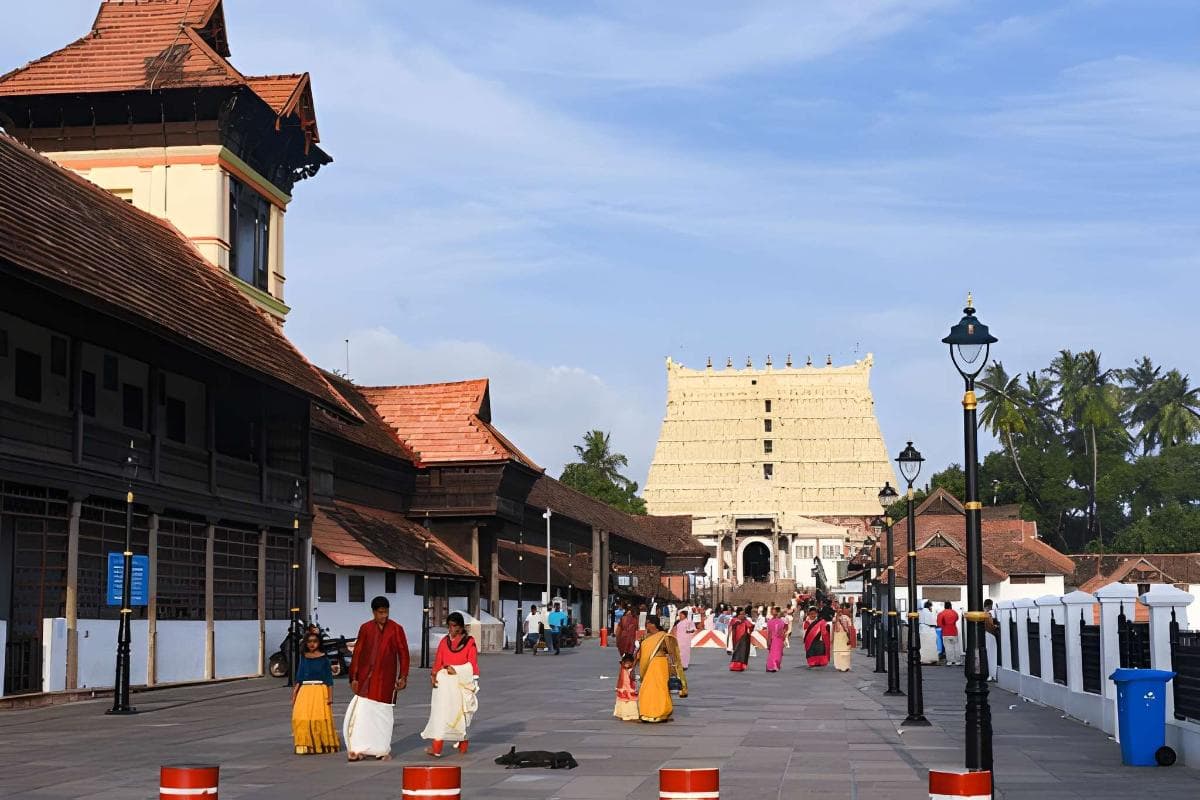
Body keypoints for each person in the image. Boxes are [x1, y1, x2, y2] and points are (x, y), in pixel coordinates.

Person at [344, 596, 409, 761]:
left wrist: (403, 676)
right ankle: (358, 749)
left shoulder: (396, 629)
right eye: (380, 612)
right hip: (367, 679)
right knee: (363, 715)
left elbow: (403, 654)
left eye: (386, 612)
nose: (384, 616)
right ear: (373, 612)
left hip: (386, 679)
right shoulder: (365, 628)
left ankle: (381, 749)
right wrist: (354, 677)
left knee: (384, 714)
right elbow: (357, 653)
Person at [422, 612, 480, 758]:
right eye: (449, 626)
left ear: (461, 627)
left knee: (458, 715)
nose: (451, 629)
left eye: (454, 626)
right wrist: (434, 674)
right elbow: (438, 660)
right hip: (444, 684)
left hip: (459, 684)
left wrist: (457, 670)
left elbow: (472, 665)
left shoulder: (469, 642)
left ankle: (462, 741)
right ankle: (437, 747)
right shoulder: (444, 642)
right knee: (440, 714)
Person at [292, 631, 340, 755]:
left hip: (320, 690)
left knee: (319, 719)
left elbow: (329, 679)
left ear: (319, 643)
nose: (312, 644)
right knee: (301, 718)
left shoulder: (324, 658)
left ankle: (322, 745)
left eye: (315, 641)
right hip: (305, 691)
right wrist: (294, 694)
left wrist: (330, 696)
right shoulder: (304, 657)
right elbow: (299, 677)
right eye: (309, 642)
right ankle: (304, 745)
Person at [635, 615, 687, 723]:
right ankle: (646, 713)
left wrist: (675, 669)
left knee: (660, 688)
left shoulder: (664, 636)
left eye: (648, 623)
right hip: (649, 665)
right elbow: (640, 652)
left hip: (660, 664)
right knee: (647, 688)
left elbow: (671, 652)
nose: (646, 626)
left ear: (652, 624)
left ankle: (661, 713)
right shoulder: (645, 637)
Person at [613, 653, 639, 721]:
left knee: (627, 702)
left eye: (629, 663)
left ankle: (625, 714)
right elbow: (632, 677)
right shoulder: (626, 669)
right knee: (627, 702)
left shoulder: (625, 669)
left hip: (627, 688)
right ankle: (627, 715)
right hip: (626, 689)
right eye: (626, 662)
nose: (627, 664)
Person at [832, 602, 855, 672]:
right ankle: (839, 665)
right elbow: (834, 627)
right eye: (838, 611)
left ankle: (846, 666)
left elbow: (850, 627)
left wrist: (850, 637)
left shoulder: (846, 618)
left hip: (845, 635)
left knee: (846, 652)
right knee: (838, 652)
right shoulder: (835, 618)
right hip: (838, 636)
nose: (839, 612)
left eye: (840, 611)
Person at [728, 607, 752, 672]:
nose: (742, 616)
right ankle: (734, 666)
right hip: (736, 638)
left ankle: (741, 666)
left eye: (744, 614)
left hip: (744, 639)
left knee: (743, 652)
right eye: (741, 614)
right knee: (736, 652)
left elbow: (751, 626)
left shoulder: (746, 620)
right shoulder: (734, 620)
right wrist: (736, 623)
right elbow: (730, 628)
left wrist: (746, 623)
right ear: (738, 614)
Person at [938, 601, 962, 666]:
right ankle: (958, 661)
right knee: (956, 646)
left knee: (948, 647)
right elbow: (957, 618)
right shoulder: (954, 612)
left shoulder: (941, 613)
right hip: (954, 631)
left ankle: (950, 661)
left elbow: (939, 624)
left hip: (945, 632)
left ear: (944, 606)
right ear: (950, 606)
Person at [765, 607, 788, 672]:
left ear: (778, 612)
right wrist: (768, 641)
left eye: (774, 611)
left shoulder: (782, 621)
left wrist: (783, 638)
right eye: (772, 611)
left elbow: (784, 630)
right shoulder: (770, 621)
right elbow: (769, 632)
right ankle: (771, 666)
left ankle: (776, 665)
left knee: (778, 654)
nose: (772, 612)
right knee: (772, 654)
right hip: (773, 639)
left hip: (779, 640)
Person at [919, 600, 940, 665]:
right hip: (929, 631)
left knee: (923, 647)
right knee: (931, 646)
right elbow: (932, 623)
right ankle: (930, 659)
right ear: (929, 606)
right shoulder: (929, 613)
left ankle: (923, 659)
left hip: (922, 631)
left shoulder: (920, 612)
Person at [983, 598, 1000, 681]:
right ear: (989, 605)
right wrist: (996, 627)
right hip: (990, 635)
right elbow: (990, 626)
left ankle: (990, 674)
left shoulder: (982, 613)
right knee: (992, 655)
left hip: (985, 635)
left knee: (987, 655)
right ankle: (992, 674)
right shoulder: (988, 614)